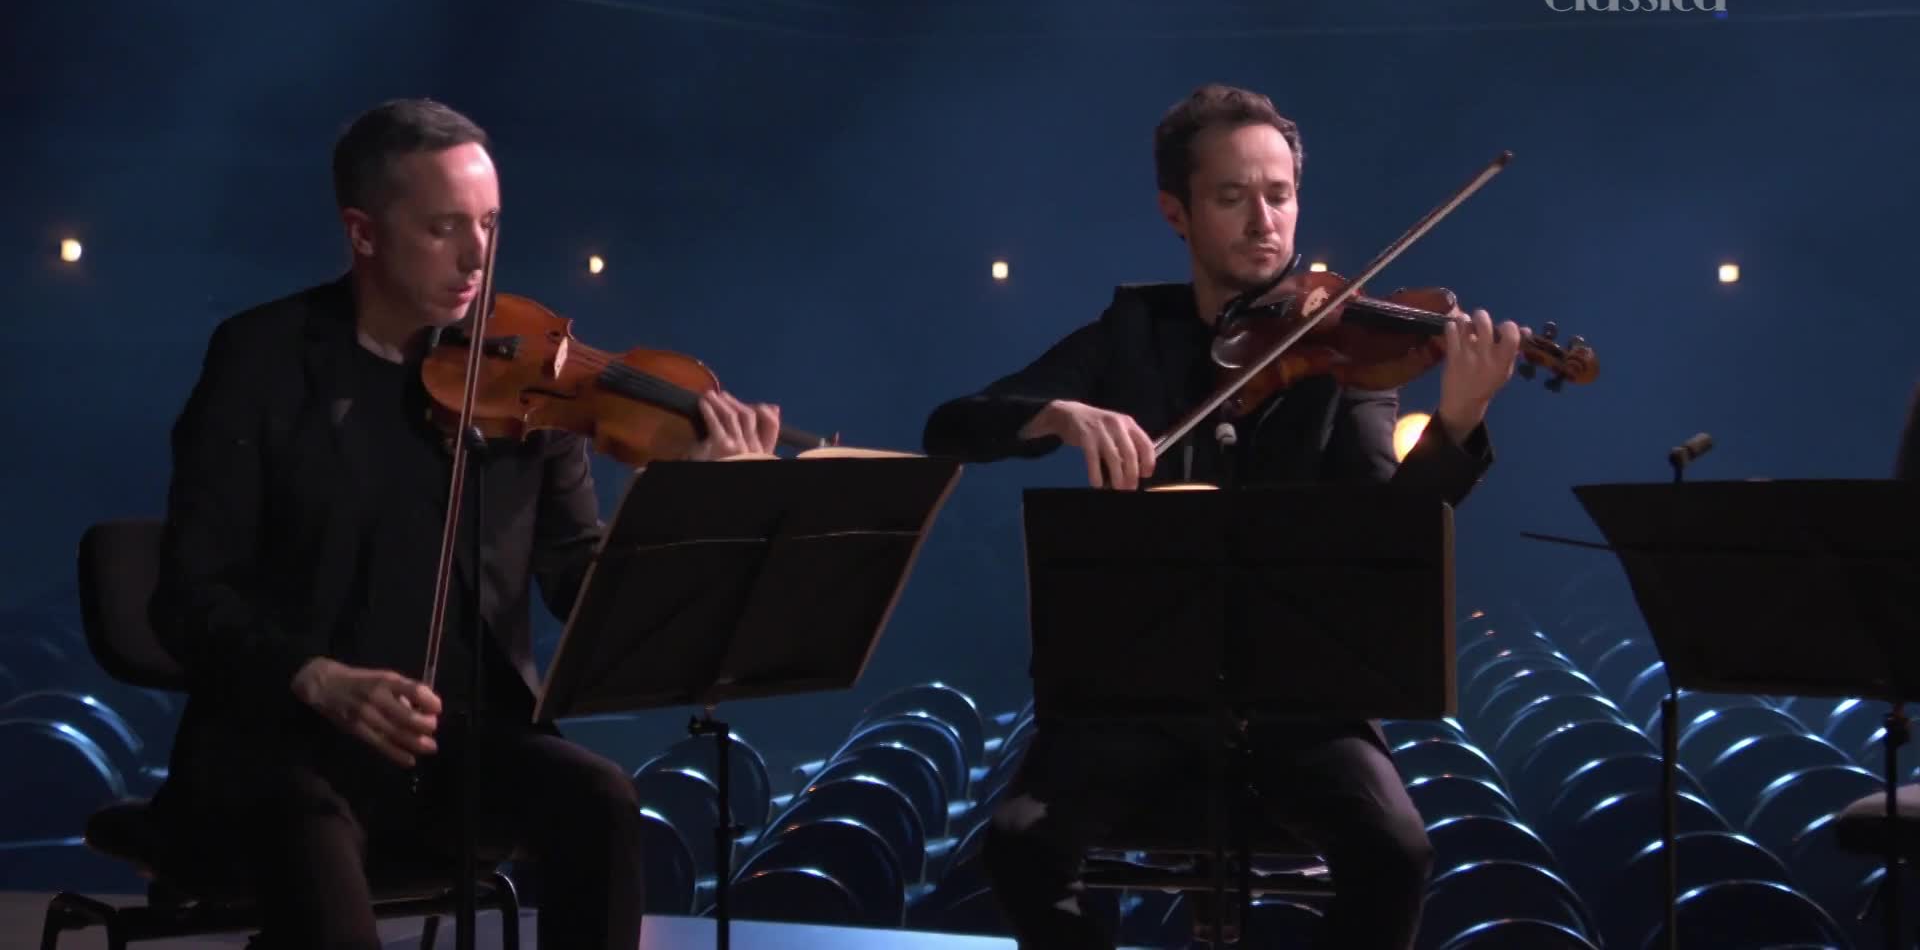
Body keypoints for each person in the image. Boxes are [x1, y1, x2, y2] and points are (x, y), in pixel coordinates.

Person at [146, 97, 783, 949]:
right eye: (444, 227)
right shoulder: (262, 360)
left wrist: (692, 507)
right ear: (363, 232)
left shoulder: (527, 377)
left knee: (599, 799)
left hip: (465, 746)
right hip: (285, 744)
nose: (479, 255)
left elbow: (577, 581)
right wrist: (317, 677)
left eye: (489, 223)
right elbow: (189, 595)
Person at [922, 83, 1528, 950]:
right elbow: (952, 425)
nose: (1262, 222)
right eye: (1232, 197)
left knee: (1396, 853)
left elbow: (1388, 527)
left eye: (1278, 196)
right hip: (1136, 700)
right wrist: (1055, 413)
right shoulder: (1131, 333)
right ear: (1178, 211)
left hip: (1300, 705)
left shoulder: (1342, 347)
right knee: (1020, 845)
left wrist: (1459, 424)